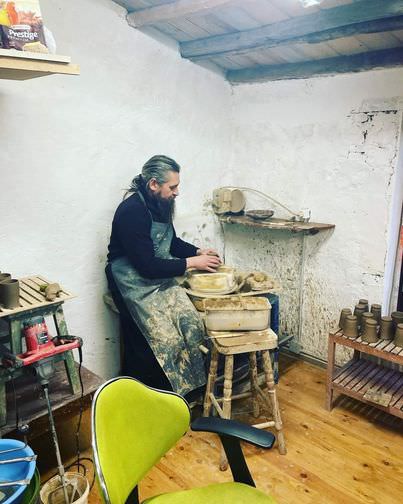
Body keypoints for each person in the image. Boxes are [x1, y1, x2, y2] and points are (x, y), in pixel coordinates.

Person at [106, 155, 221, 399]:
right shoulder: (131, 211)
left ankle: (190, 392)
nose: (177, 192)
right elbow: (146, 266)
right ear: (153, 184)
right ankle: (156, 398)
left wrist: (198, 252)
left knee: (191, 324)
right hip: (131, 280)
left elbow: (172, 242)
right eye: (173, 187)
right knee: (164, 340)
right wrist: (192, 263)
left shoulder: (161, 203)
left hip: (157, 275)